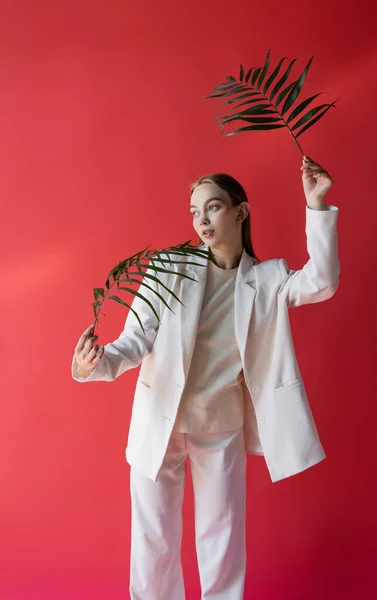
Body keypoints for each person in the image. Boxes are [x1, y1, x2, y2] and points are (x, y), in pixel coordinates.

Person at [72, 155, 340, 600]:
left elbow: (321, 281)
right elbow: (134, 340)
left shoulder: (268, 280)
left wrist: (316, 205)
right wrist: (94, 364)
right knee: (153, 544)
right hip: (161, 422)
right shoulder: (167, 270)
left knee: (222, 542)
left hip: (221, 428)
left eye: (213, 207)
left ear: (240, 211)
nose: (201, 220)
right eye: (195, 212)